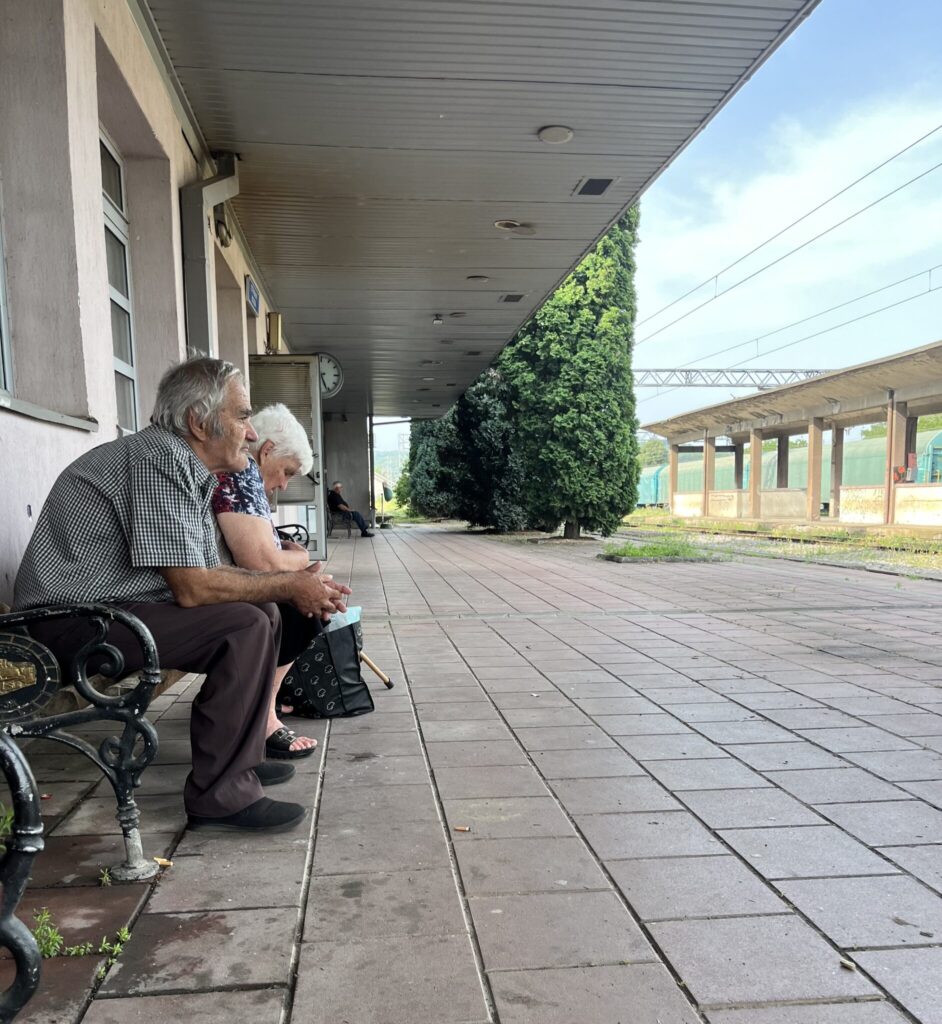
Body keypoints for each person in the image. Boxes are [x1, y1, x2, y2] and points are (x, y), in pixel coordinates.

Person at [14, 358, 351, 834]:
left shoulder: (179, 464)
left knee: (263, 613)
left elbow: (207, 573)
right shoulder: (159, 458)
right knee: (247, 624)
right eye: (241, 415)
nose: (250, 433)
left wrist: (288, 586)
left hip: (107, 611)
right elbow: (194, 588)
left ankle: (242, 758)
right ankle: (220, 796)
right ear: (198, 421)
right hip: (68, 623)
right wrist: (291, 583)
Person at [212, 402, 325, 759]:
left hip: (216, 579)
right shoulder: (240, 473)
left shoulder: (243, 476)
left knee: (308, 598)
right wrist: (301, 559)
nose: (283, 483)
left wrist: (291, 564)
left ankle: (266, 705)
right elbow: (261, 563)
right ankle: (263, 716)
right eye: (286, 471)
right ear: (267, 450)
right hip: (212, 587)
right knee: (304, 610)